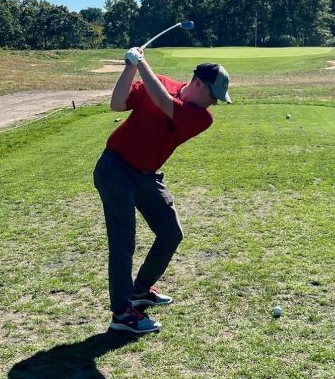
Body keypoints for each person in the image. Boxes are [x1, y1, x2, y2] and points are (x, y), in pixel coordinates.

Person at [93, 46, 231, 334]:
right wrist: (130, 65)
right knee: (123, 241)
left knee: (171, 233)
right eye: (213, 95)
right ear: (198, 83)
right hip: (115, 169)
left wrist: (142, 63)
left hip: (147, 176)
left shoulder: (201, 117)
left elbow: (164, 101)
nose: (214, 103)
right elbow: (117, 104)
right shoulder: (159, 82)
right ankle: (122, 313)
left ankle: (140, 290)